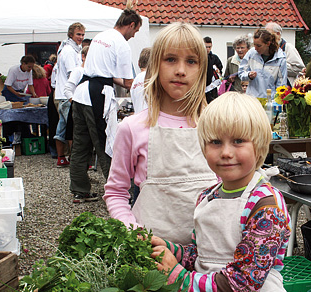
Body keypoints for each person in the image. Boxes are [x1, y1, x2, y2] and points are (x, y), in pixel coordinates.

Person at [150, 92, 299, 292]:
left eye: (238, 141)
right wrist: (172, 250)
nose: (226, 152)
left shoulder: (266, 205)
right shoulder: (206, 197)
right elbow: (203, 256)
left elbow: (243, 284)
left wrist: (180, 279)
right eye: (216, 142)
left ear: (258, 146)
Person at [103, 22, 218, 245]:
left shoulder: (215, 126)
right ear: (156, 64)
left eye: (191, 61)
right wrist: (133, 232)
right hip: (151, 253)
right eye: (171, 59)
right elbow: (116, 192)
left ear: (202, 69)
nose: (180, 70)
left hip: (207, 253)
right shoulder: (133, 128)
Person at [71, 8, 142, 203]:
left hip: (81, 92)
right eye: (135, 32)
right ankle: (117, 194)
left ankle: (79, 189)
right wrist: (146, 84)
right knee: (105, 143)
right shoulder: (122, 44)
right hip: (97, 95)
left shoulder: (100, 36)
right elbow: (128, 82)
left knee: (80, 144)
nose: (133, 36)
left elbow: (106, 74)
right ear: (132, 25)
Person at [54, 22, 85, 168]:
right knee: (73, 128)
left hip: (62, 94)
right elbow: (73, 75)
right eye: (78, 34)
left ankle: (63, 158)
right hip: (67, 94)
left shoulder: (70, 49)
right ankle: (74, 159)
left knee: (63, 127)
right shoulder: (69, 51)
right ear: (71, 34)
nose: (81, 37)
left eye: (83, 35)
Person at [238, 28, 287, 99]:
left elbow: (281, 84)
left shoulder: (280, 58)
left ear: (268, 44)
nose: (255, 48)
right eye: (254, 45)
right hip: (252, 99)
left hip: (270, 101)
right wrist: (248, 75)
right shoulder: (251, 53)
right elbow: (241, 72)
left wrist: (276, 102)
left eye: (258, 46)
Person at [64, 45, 90, 148]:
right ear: (83, 57)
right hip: (78, 106)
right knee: (74, 132)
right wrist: (74, 102)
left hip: (88, 106)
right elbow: (67, 89)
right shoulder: (78, 70)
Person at [265, 22, 305, 86]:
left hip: (286, 89)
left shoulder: (288, 47)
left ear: (278, 34)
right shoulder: (266, 50)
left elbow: (298, 68)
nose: (266, 37)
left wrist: (279, 65)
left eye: (268, 34)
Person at [130, 47, 151, 113]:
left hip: (138, 119)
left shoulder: (135, 81)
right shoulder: (151, 77)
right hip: (151, 120)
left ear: (138, 63)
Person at [203, 36, 223, 103]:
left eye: (209, 47)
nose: (208, 49)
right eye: (206, 47)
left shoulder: (214, 58)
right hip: (200, 88)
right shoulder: (198, 58)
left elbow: (220, 71)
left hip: (212, 89)